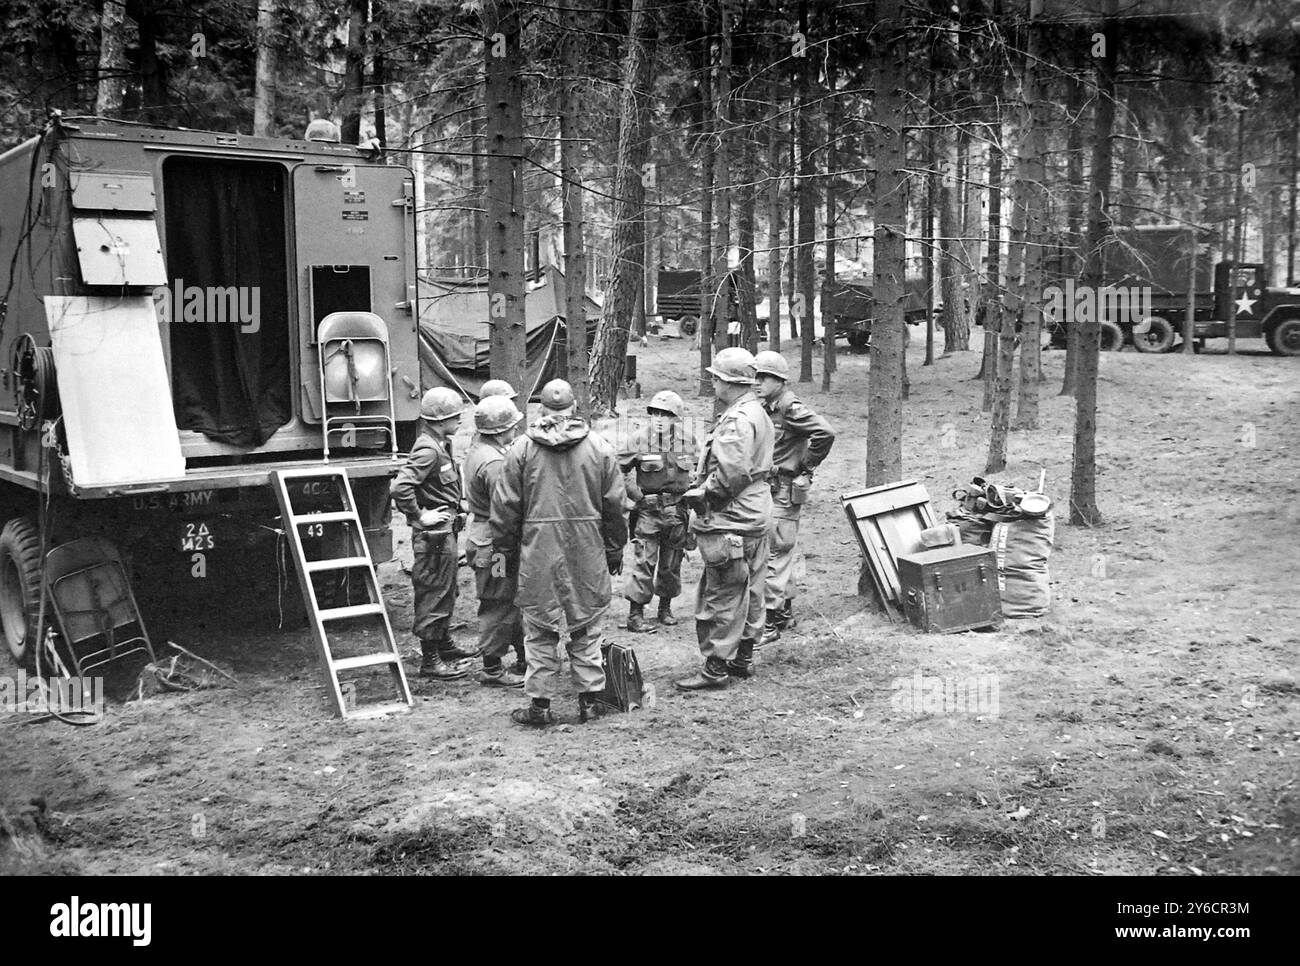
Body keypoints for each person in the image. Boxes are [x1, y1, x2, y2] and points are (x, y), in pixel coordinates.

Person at [490, 379, 628, 726]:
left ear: (541, 411)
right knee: (587, 625)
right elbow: (615, 507)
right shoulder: (600, 448)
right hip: (587, 547)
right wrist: (614, 550)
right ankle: (589, 702)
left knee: (539, 627)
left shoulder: (520, 450)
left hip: (538, 549)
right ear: (573, 409)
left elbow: (505, 510)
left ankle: (540, 706)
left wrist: (503, 558)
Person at [675, 347, 774, 690]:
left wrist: (704, 497)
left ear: (727, 382)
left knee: (722, 592)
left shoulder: (736, 419)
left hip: (731, 517)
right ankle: (743, 658)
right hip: (756, 513)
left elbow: (732, 474)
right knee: (753, 586)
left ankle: (715, 667)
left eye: (716, 378)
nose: (713, 383)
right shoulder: (757, 411)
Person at [391, 387, 479, 680]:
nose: (460, 422)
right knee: (434, 592)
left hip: (445, 533)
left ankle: (444, 645)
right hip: (434, 537)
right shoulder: (429, 450)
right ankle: (430, 660)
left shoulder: (441, 444)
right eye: (456, 417)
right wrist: (419, 516)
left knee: (447, 589)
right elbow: (400, 487)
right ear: (441, 420)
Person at [752, 350, 836, 645]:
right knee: (778, 550)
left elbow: (825, 433)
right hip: (771, 488)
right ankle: (785, 612)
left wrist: (805, 465)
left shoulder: (789, 406)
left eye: (764, 377)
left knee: (775, 553)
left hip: (784, 490)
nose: (757, 382)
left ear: (779, 380)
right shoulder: (768, 405)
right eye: (756, 376)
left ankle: (771, 624)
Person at [618, 390, 698, 633]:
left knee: (671, 564)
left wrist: (694, 502)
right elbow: (615, 470)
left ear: (677, 418)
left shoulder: (688, 441)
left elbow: (697, 472)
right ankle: (636, 614)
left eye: (667, 414)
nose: (660, 418)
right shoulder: (638, 439)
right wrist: (636, 495)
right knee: (644, 561)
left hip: (677, 512)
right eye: (656, 413)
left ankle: (665, 608)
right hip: (649, 512)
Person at [464, 394, 527, 687]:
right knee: (498, 602)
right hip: (496, 546)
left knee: (505, 599)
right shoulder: (494, 463)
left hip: (485, 537)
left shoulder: (479, 451)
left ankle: (516, 656)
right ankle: (492, 667)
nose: (516, 430)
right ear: (502, 430)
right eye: (513, 425)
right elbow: (504, 508)